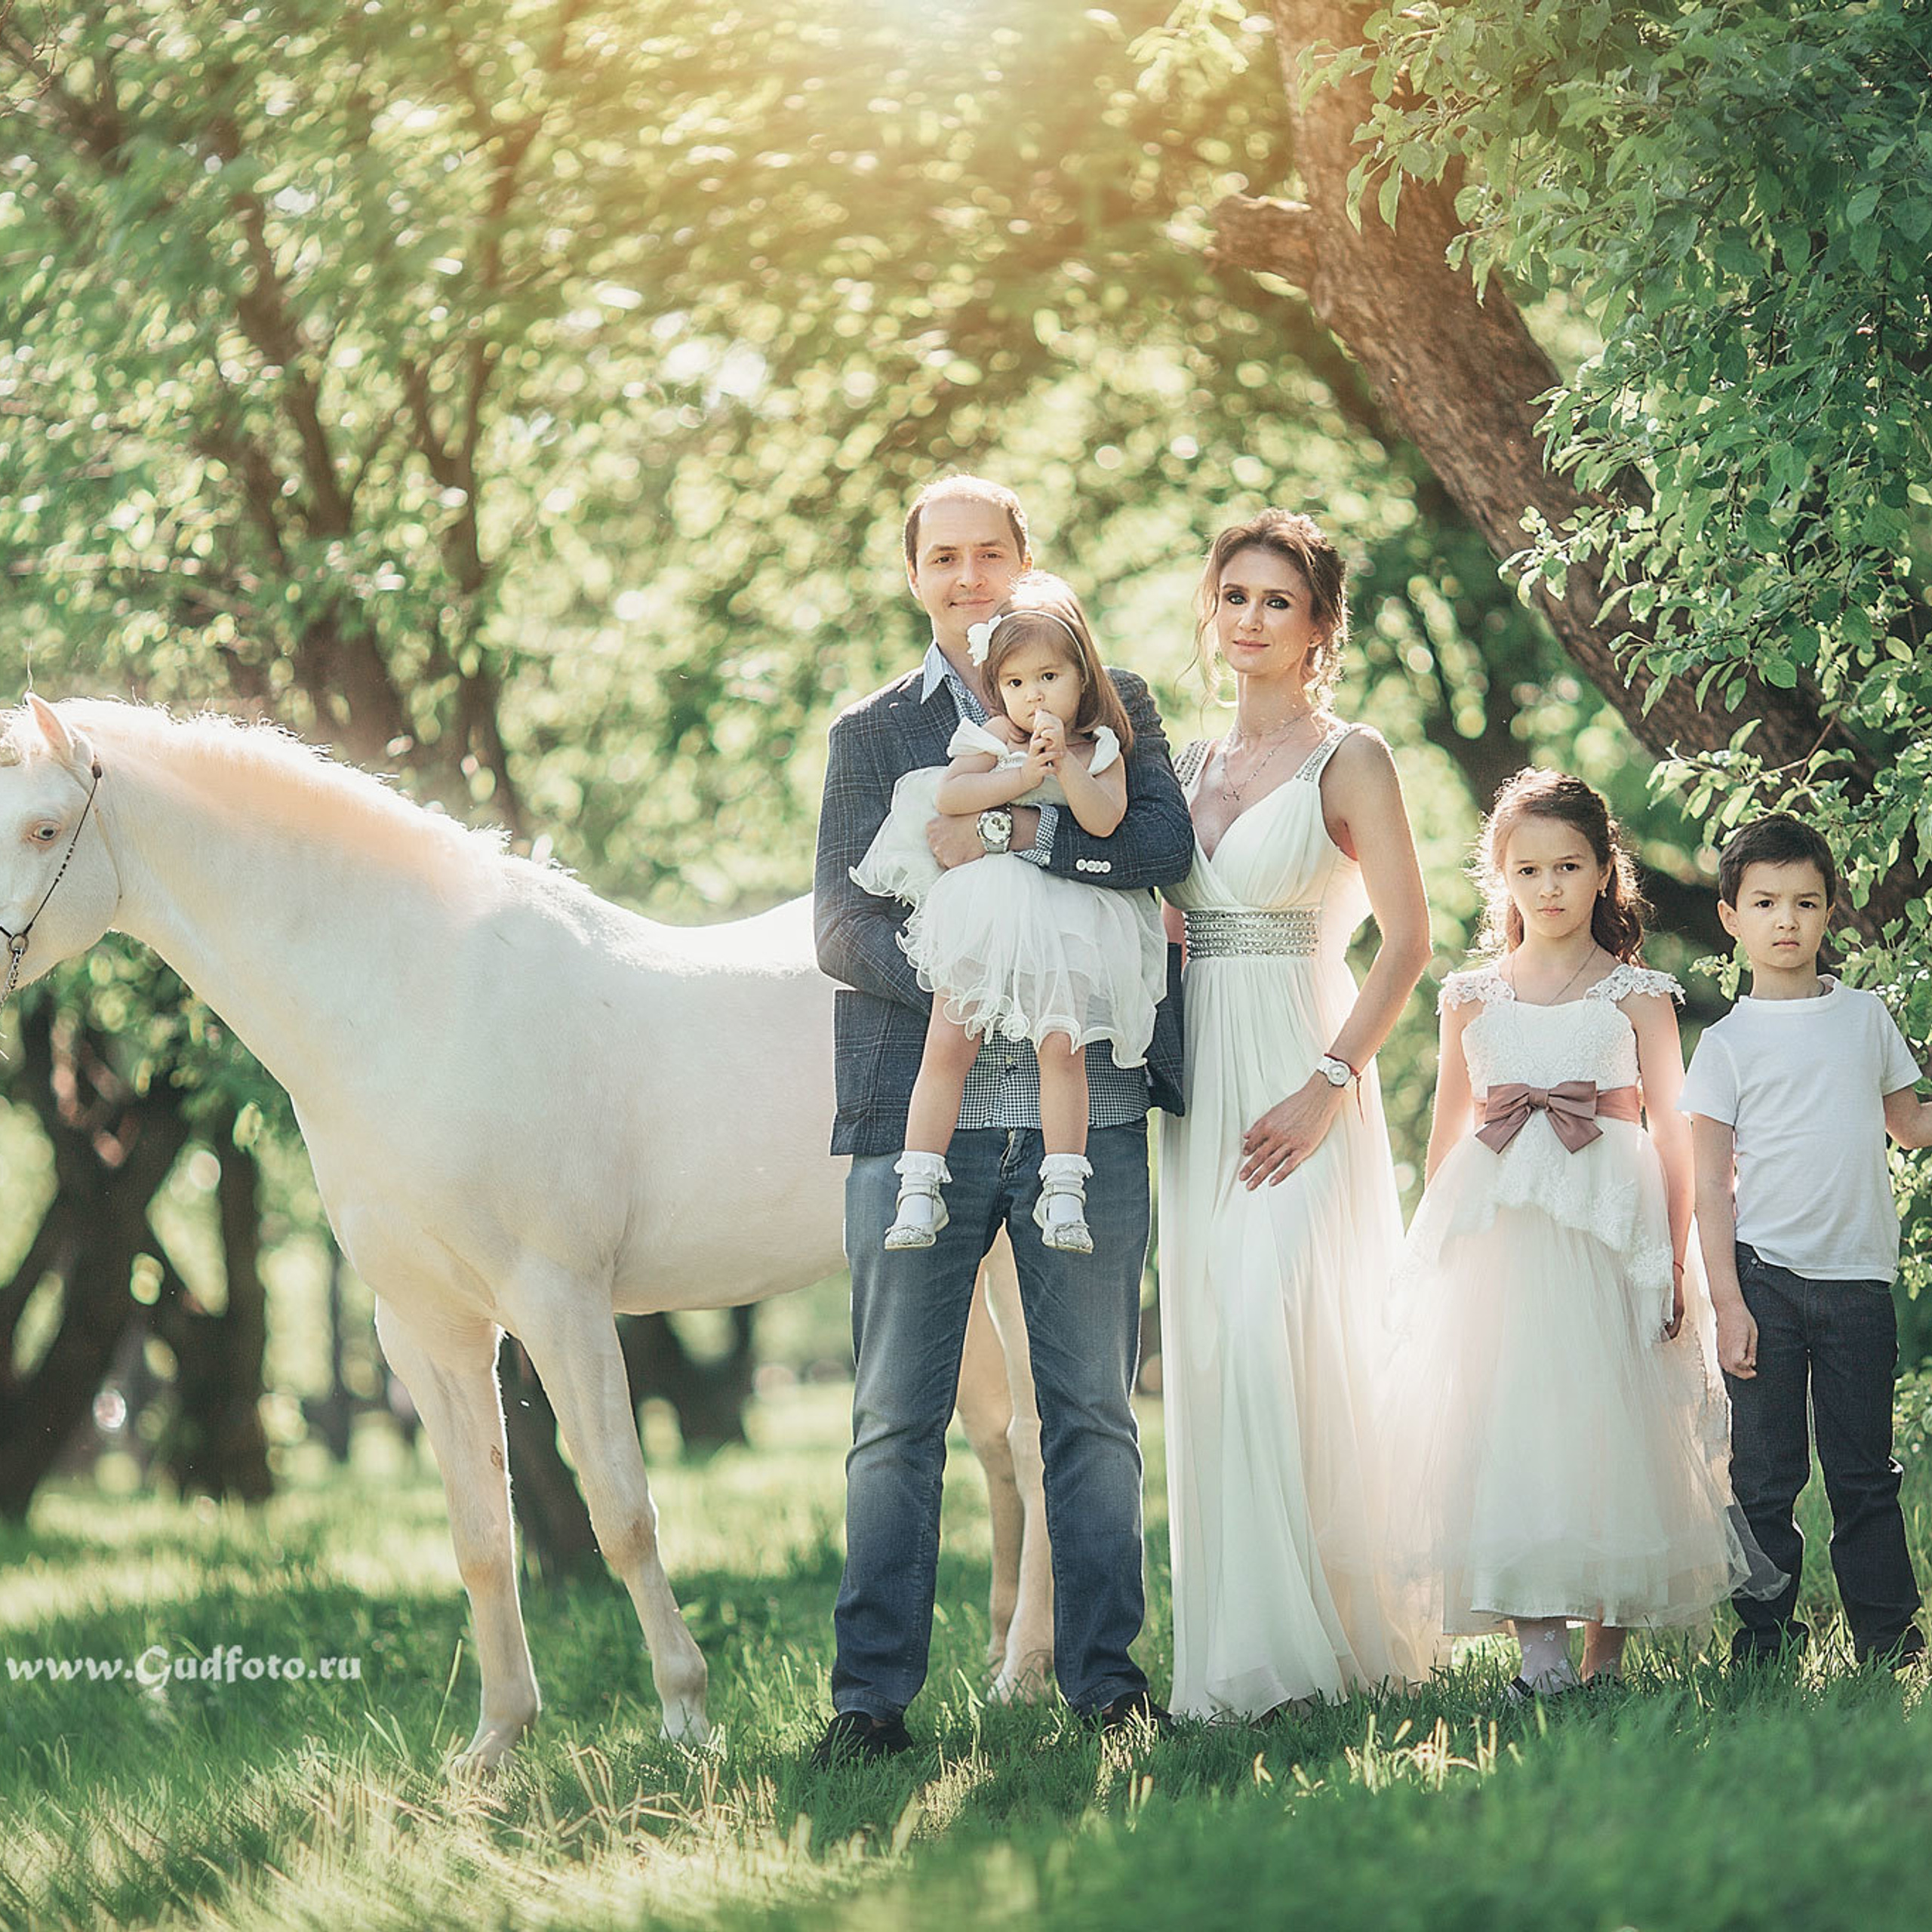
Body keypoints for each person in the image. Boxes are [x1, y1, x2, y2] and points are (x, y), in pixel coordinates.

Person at [812, 475, 1194, 1762]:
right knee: (894, 1421)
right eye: (944, 558)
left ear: (1024, 560)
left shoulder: (1111, 699)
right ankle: (871, 1702)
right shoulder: (872, 732)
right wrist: (969, 980)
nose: (968, 576)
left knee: (1090, 1409)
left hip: (1086, 1107)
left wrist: (1030, 839)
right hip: (916, 1112)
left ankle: (1104, 1683)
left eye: (990, 554)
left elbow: (1150, 848)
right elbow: (839, 924)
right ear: (914, 574)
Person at [1385, 770, 1774, 1698]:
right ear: (1501, 877)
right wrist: (1429, 1254)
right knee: (1511, 1420)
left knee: (1612, 1425)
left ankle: (1605, 1653)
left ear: (1605, 872)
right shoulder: (1470, 995)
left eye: (1568, 866)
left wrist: (1674, 1255)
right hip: (1503, 1238)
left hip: (1610, 1227)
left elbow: (1675, 1132)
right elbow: (1446, 1134)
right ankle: (1539, 1648)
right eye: (1528, 869)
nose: (1549, 886)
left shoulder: (1635, 993)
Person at [1158, 508, 1436, 1721]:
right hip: (1196, 1083)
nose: (1252, 619)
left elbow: (1411, 941)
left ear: (1319, 625)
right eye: (1235, 597)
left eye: (1279, 601)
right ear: (1210, 613)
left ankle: (1332, 1647)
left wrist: (1329, 1085)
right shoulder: (1176, 770)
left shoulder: (1351, 758)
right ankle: (1244, 1658)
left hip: (1302, 1068)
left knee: (1286, 1331)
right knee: (1217, 1348)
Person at [851, 573, 1168, 1256]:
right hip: (988, 914)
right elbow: (954, 796)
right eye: (1018, 683)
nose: (1034, 696)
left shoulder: (1103, 743)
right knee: (950, 1043)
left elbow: (1106, 820)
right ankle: (919, 1186)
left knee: (1064, 1046)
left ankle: (1064, 1189)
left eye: (1049, 677)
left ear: (1081, 676)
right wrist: (1021, 775)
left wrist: (1066, 767)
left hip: (1067, 921)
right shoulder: (993, 732)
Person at [1682, 813, 1932, 1669]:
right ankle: (1762, 1638)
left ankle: (1888, 1637)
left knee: (1865, 1472)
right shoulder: (1723, 1045)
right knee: (1764, 1475)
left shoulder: (1864, 1018)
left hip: (1858, 1281)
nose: (1785, 920)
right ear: (1731, 916)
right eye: (1764, 902)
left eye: (1804, 902)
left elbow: (1909, 1125)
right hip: (1764, 1280)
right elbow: (1709, 1185)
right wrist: (1727, 1301)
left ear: (1830, 913)